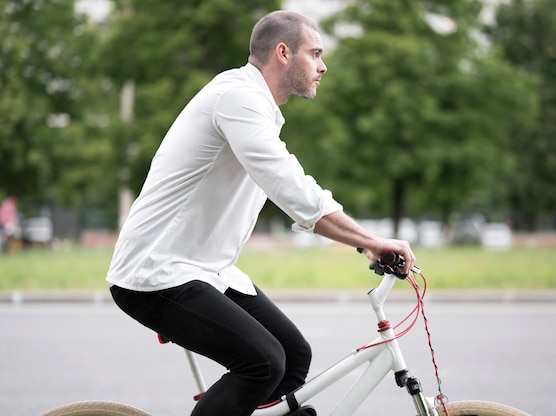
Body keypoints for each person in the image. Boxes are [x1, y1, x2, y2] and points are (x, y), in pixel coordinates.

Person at [106, 10, 416, 416]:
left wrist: (364, 246)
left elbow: (294, 192)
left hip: (205, 271)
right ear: (283, 52)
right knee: (263, 362)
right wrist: (370, 241)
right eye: (315, 53)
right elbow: (291, 187)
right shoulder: (238, 99)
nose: (323, 66)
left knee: (293, 356)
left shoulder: (258, 109)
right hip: (156, 273)